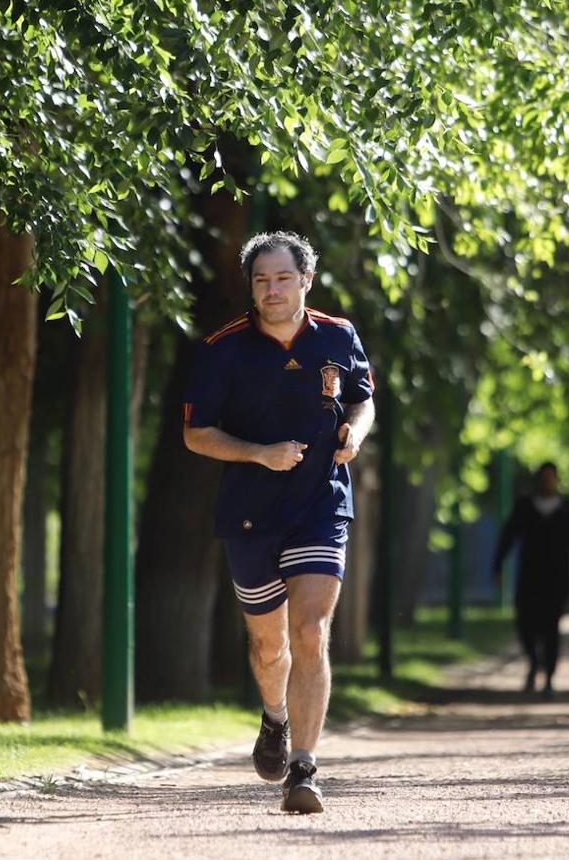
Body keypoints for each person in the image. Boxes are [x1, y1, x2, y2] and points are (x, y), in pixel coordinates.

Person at [183, 232, 375, 814]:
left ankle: (305, 769)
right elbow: (196, 434)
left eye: (282, 278)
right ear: (251, 286)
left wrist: (355, 435)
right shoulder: (224, 349)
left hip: (321, 504)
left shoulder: (338, 336)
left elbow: (363, 400)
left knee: (311, 632)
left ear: (306, 281)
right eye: (261, 280)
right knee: (269, 646)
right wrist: (259, 453)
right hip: (250, 514)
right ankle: (275, 717)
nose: (272, 289)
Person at [493, 461, 569, 696]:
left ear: (557, 480)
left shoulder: (568, 509)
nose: (547, 482)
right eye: (543, 477)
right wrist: (497, 566)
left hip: (557, 578)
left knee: (551, 628)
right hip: (529, 576)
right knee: (525, 623)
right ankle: (533, 661)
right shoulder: (525, 507)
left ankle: (548, 677)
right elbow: (507, 537)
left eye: (551, 477)